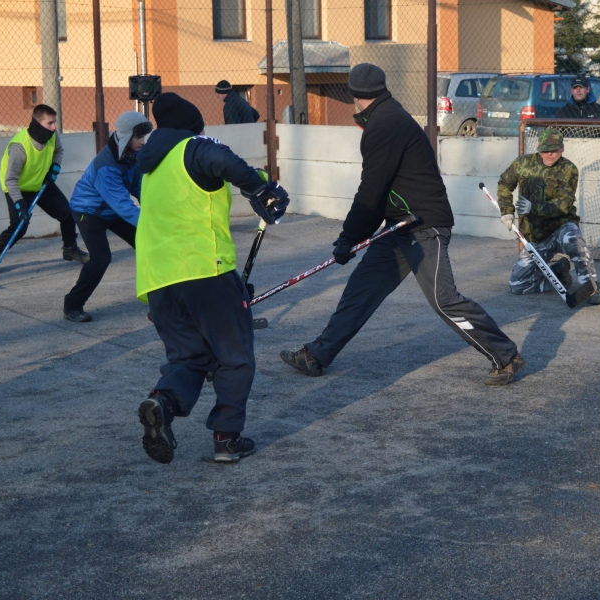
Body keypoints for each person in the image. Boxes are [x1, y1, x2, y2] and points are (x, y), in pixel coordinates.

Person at [279, 63, 524, 387]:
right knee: (361, 289)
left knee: (443, 299)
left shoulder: (385, 125)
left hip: (424, 225)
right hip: (399, 226)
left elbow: (372, 189)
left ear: (354, 95)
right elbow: (381, 190)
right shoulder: (387, 117)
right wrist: (353, 238)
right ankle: (316, 356)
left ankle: (506, 357)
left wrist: (348, 238)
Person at [135, 92, 289, 464]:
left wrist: (259, 181)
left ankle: (164, 403)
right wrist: (260, 190)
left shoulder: (150, 164)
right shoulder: (194, 146)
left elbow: (211, 176)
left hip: (158, 281)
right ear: (193, 126)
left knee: (188, 357)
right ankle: (226, 438)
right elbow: (220, 159)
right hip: (204, 269)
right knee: (234, 357)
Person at [497, 128, 600, 306]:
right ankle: (559, 275)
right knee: (517, 285)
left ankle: (591, 287)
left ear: (562, 149)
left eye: (554, 151)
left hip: (560, 227)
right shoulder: (523, 163)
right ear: (539, 148)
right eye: (545, 150)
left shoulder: (569, 169)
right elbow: (504, 183)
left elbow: (563, 205)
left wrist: (533, 207)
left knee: (574, 239)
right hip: (536, 235)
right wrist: (506, 210)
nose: (549, 155)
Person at [62, 111, 153, 323]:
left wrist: (155, 210)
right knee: (101, 258)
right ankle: (72, 305)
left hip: (111, 209)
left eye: (143, 137)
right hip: (89, 211)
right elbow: (122, 205)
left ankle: (160, 295)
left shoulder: (133, 155)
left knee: (148, 243)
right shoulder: (107, 165)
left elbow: (139, 187)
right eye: (138, 137)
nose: (142, 142)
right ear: (125, 137)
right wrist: (151, 222)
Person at [0, 104, 88, 274]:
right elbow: (10, 180)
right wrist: (20, 204)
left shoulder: (52, 136)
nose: (54, 127)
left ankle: (70, 249)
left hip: (41, 183)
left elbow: (59, 151)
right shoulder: (19, 147)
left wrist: (54, 168)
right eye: (50, 123)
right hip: (17, 187)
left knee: (67, 213)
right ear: (38, 124)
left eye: (55, 122)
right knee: (20, 226)